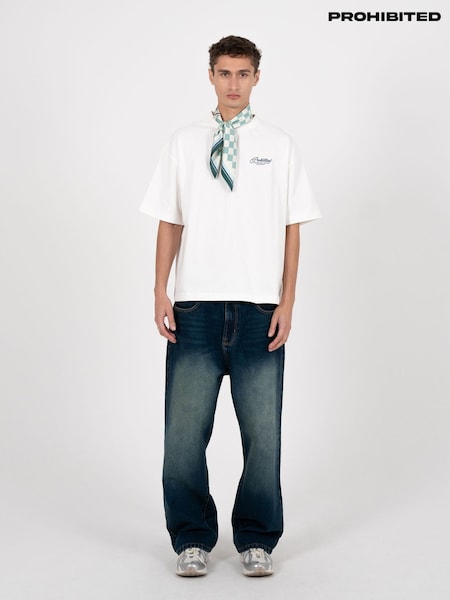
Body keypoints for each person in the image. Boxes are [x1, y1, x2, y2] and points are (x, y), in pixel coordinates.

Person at [140, 35, 321, 577]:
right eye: (224, 73)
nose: (234, 83)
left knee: (263, 435)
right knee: (183, 434)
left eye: (243, 73)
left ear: (257, 77)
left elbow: (292, 227)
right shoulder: (184, 142)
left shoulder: (279, 145)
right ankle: (191, 538)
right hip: (195, 307)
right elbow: (170, 218)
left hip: (259, 309)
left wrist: (288, 299)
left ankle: (257, 538)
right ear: (211, 76)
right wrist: (160, 290)